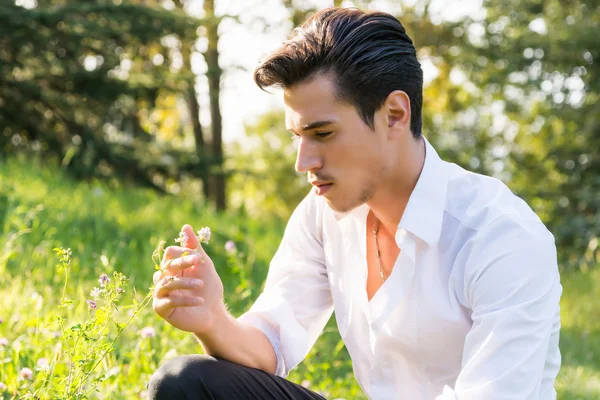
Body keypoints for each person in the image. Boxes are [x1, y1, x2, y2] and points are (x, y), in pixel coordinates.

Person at [147, 7, 562, 400]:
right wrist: (214, 319)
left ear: (394, 115)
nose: (303, 162)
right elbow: (270, 345)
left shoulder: (502, 238)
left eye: (322, 134)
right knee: (185, 383)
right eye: (298, 136)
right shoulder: (323, 213)